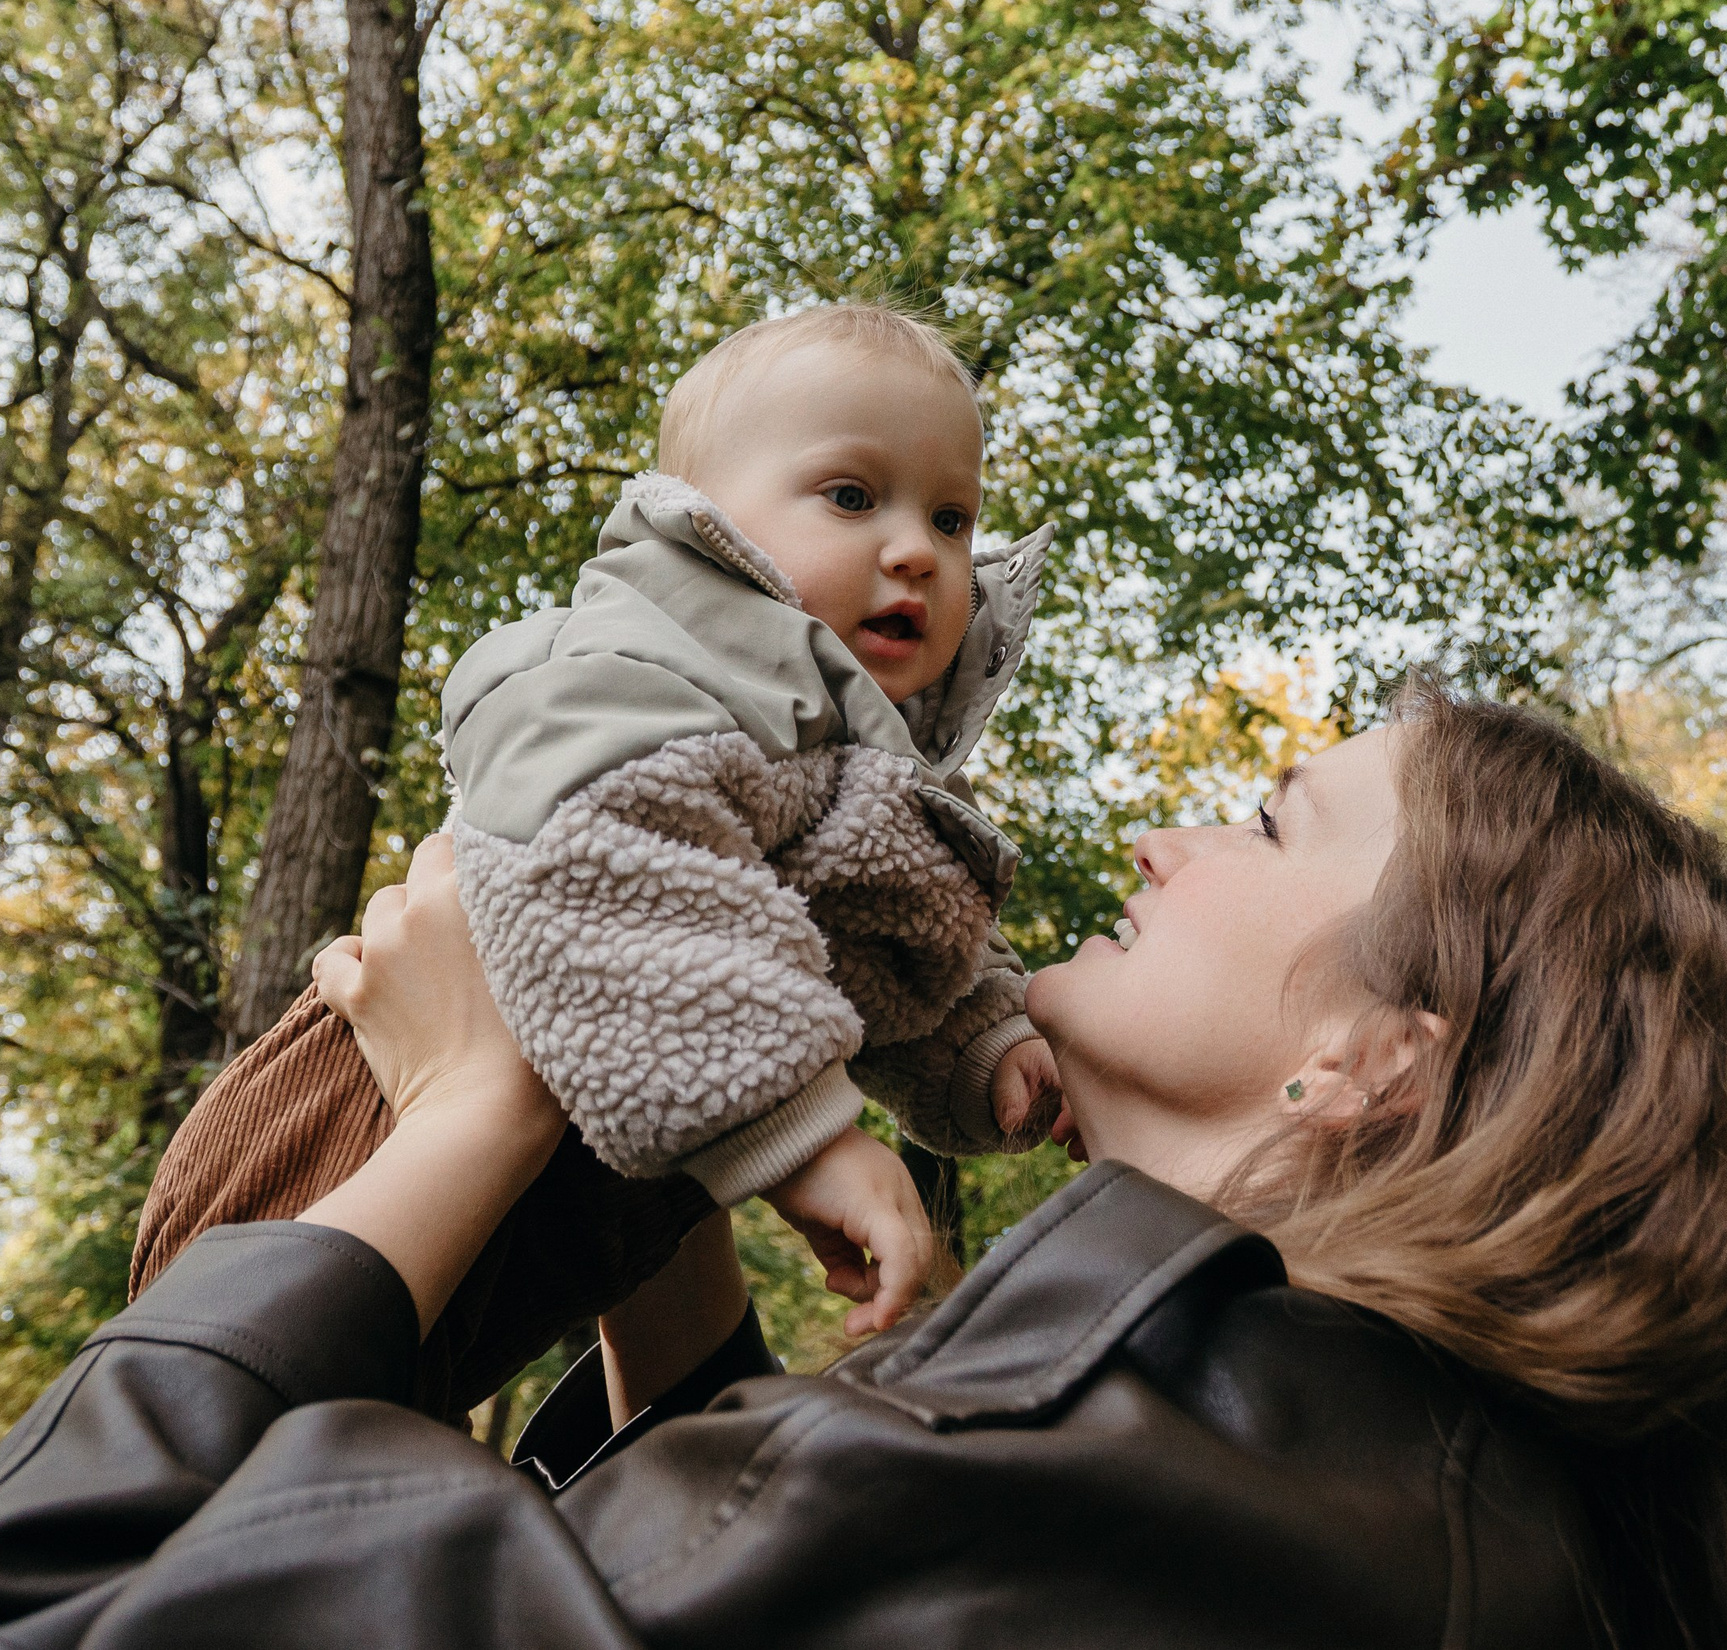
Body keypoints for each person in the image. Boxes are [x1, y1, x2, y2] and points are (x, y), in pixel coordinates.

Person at [0, 682, 1727, 1650]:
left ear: (1376, 1055)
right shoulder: (1312, 1482)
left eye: (1270, 822)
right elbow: (748, 1577)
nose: (1177, 831)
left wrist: (475, 1101)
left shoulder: (1138, 1478)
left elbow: (13, 1617)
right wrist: (667, 1152)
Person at [134, 302, 1062, 1351]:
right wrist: (806, 1140)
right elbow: (607, 859)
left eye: (952, 519)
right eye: (852, 496)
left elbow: (877, 915)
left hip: (515, 1240)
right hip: (326, 1155)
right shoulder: (639, 667)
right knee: (245, 1429)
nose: (918, 552)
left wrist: (987, 1040)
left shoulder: (847, 759)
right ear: (701, 518)